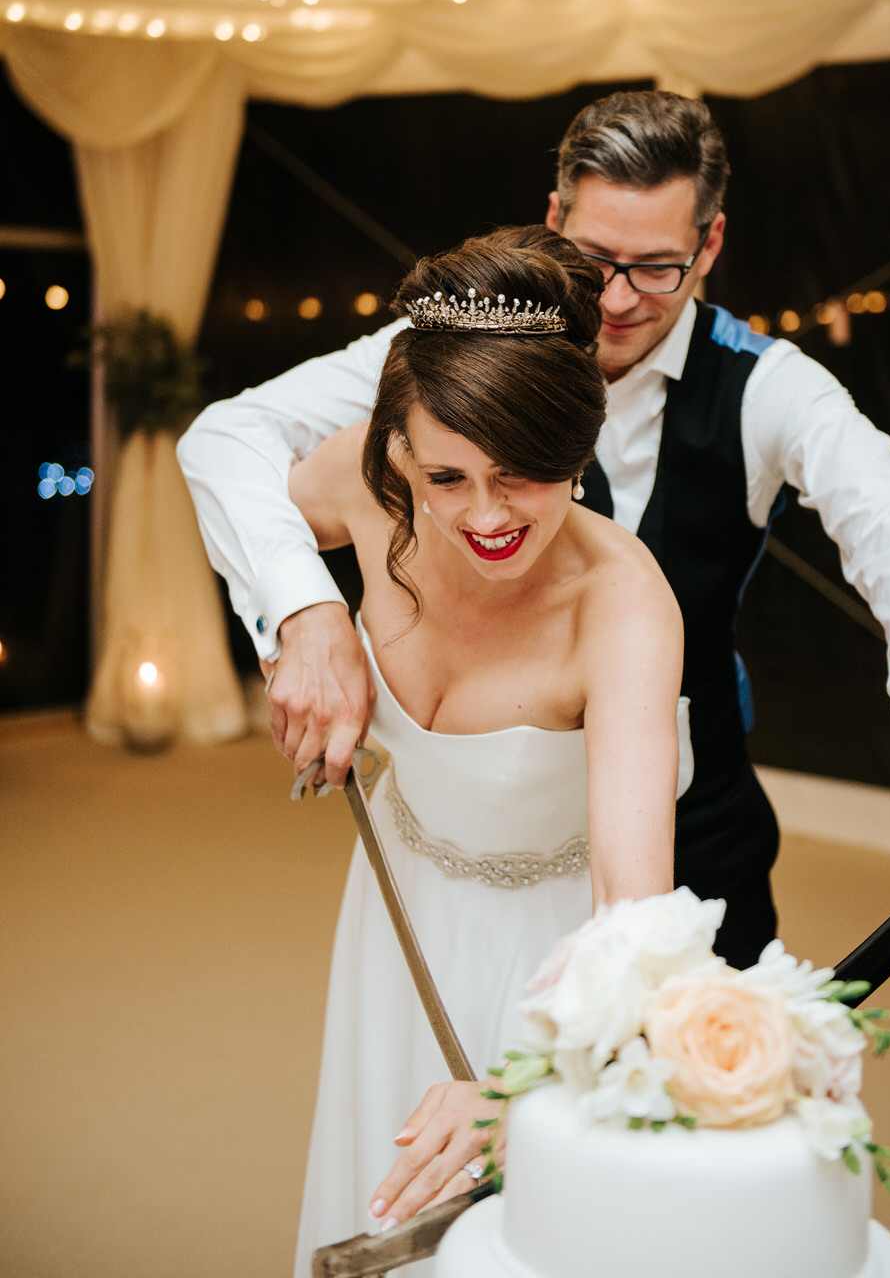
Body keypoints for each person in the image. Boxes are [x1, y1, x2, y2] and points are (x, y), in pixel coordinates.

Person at [178, 89, 890, 973]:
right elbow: (231, 436)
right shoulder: (463, 349)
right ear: (554, 218)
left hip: (696, 828)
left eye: (656, 266)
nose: (616, 300)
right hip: (483, 827)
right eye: (592, 258)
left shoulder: (769, 388)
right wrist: (307, 613)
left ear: (711, 245)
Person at [276, 226, 687, 1271]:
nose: (487, 516)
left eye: (524, 474)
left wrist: (523, 1080)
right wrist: (305, 621)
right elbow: (248, 496)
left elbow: (634, 907)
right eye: (446, 475)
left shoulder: (626, 605)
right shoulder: (373, 491)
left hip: (544, 960)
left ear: (580, 444)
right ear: (401, 451)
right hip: (395, 917)